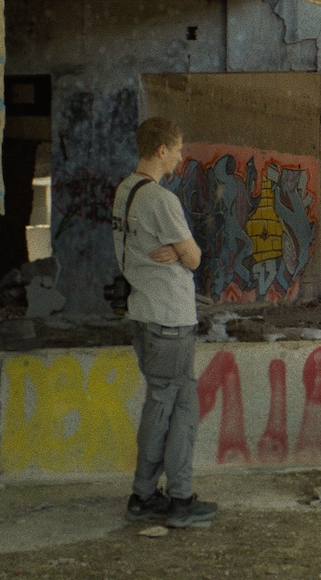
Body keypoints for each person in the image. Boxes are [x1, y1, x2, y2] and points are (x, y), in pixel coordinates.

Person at [112, 117, 218, 528]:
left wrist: (172, 250)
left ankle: (144, 496)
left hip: (143, 313)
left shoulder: (125, 192)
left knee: (163, 404)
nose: (180, 155)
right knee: (178, 410)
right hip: (169, 319)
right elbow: (194, 258)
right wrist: (180, 253)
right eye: (176, 149)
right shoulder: (161, 200)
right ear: (160, 151)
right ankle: (178, 500)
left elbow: (143, 249)